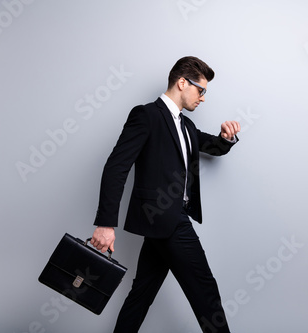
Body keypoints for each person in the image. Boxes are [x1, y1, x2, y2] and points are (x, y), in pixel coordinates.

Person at [90, 56, 240, 332]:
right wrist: (105, 223)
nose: (203, 98)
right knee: (206, 292)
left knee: (141, 295)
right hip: (167, 221)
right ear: (183, 83)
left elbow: (213, 146)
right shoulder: (146, 115)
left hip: (165, 222)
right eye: (201, 90)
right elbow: (116, 167)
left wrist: (226, 138)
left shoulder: (187, 126)